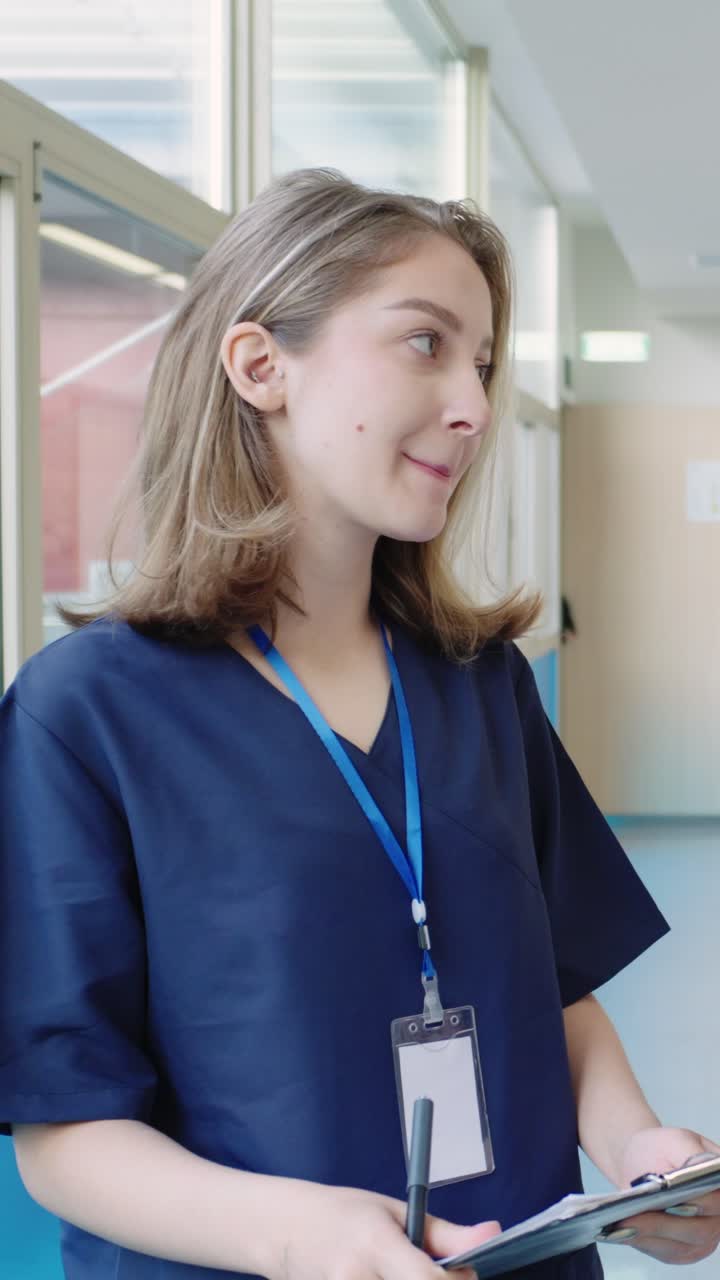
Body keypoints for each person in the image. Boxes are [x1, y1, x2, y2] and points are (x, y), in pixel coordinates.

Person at [1, 167, 718, 1280]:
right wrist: (300, 1235)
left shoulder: (482, 686)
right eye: (427, 344)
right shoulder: (84, 714)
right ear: (259, 365)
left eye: (482, 362)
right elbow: (65, 1131)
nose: (475, 404)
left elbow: (558, 995)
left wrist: (637, 1148)